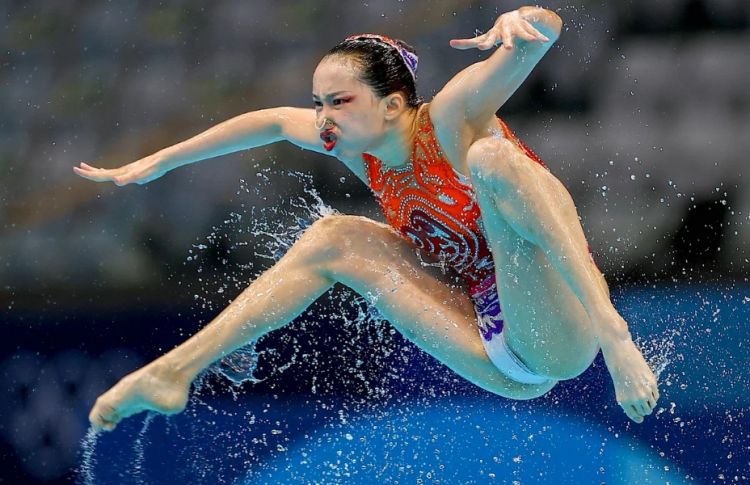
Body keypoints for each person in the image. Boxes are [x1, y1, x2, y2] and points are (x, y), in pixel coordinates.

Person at [74, 6, 659, 430]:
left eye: (339, 101)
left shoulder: (452, 118)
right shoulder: (359, 147)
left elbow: (542, 34)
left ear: (393, 104)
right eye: (319, 103)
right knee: (334, 237)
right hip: (485, 345)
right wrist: (160, 162)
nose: (323, 118)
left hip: (559, 335)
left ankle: (616, 333)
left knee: (492, 159)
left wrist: (522, 20)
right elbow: (273, 122)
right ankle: (173, 372)